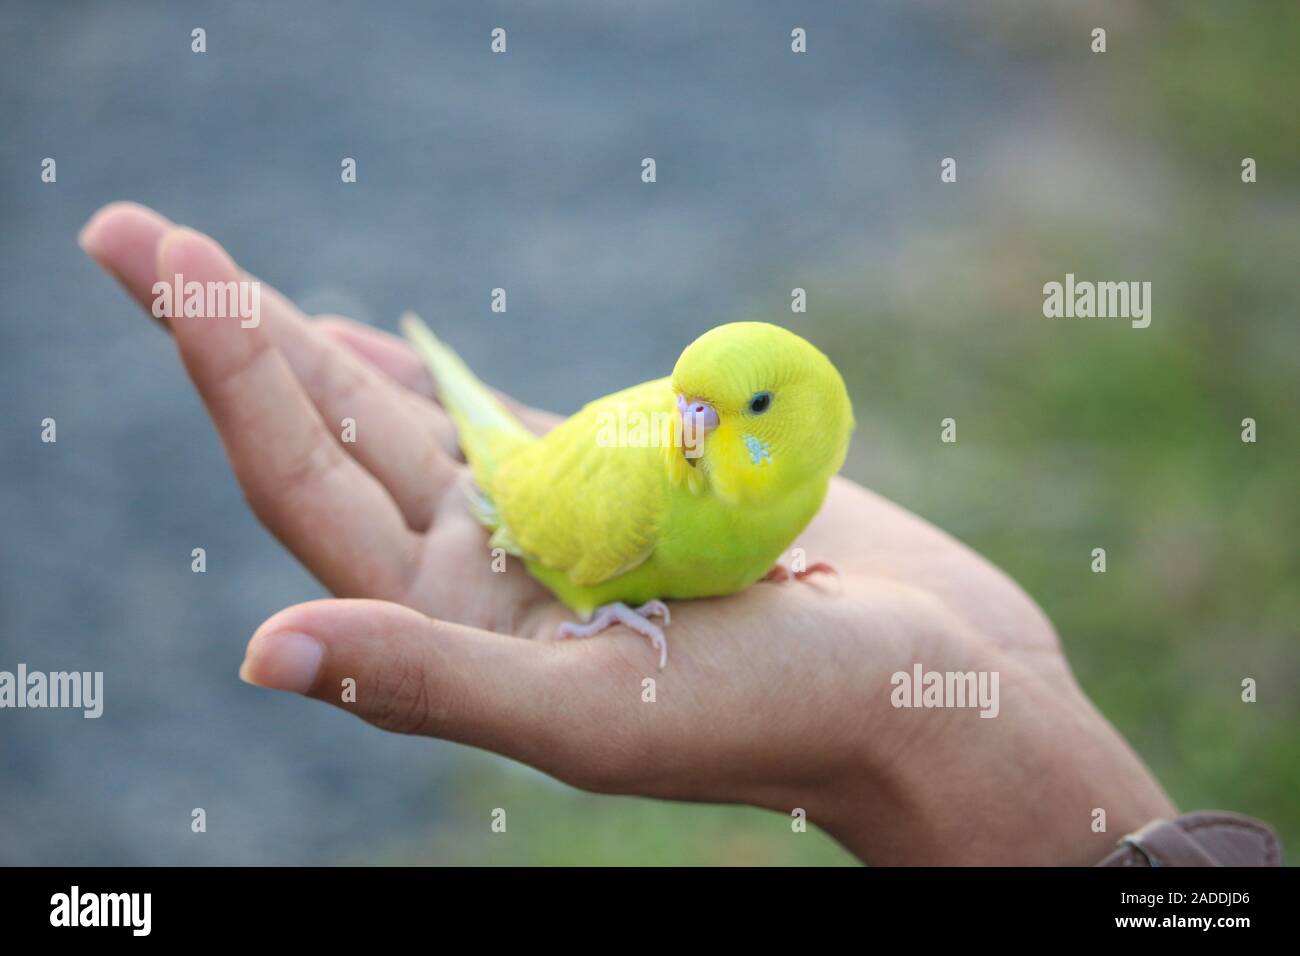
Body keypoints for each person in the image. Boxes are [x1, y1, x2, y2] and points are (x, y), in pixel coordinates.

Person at [78, 202, 1280, 866]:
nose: (689, 426)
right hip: (549, 512)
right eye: (683, 394)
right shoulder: (650, 476)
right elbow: (528, 513)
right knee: (488, 437)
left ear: (809, 423)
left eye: (729, 410)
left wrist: (932, 708)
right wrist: (600, 601)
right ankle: (450, 381)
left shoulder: (799, 481)